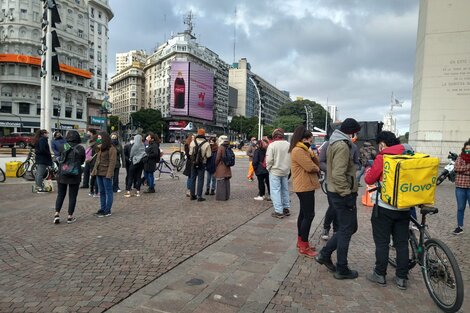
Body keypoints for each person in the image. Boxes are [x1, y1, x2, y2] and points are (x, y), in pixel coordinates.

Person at [364, 131, 414, 290]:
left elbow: (369, 179)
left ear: (382, 144)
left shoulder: (382, 157)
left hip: (384, 207)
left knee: (382, 242)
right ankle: (401, 278)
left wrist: (368, 171)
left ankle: (380, 274)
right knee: (401, 243)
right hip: (405, 206)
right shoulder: (409, 155)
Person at [315, 118, 361, 280]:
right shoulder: (342, 145)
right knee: (346, 230)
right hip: (341, 193)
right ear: (352, 131)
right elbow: (338, 173)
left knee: (349, 228)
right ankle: (341, 268)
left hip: (337, 191)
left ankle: (325, 254)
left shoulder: (336, 142)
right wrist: (346, 194)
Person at [290, 125, 321, 258]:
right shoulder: (299, 150)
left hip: (305, 185)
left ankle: (301, 241)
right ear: (305, 139)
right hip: (304, 186)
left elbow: (315, 162)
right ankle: (304, 245)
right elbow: (311, 167)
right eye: (311, 140)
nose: (312, 142)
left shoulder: (303, 150)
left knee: (303, 214)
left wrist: (312, 153)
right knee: (309, 215)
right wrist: (317, 168)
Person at [53, 130, 86, 224]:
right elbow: (82, 161)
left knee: (60, 194)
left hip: (62, 173)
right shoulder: (80, 148)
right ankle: (69, 216)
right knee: (72, 196)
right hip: (75, 174)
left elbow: (59, 157)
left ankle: (56, 214)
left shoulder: (63, 146)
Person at [266, 128, 291, 218]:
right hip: (285, 171)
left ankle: (278, 211)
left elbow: (269, 160)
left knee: (275, 191)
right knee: (285, 190)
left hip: (275, 171)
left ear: (274, 136)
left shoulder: (272, 145)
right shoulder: (288, 144)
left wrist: (269, 168)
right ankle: (286, 208)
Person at [91, 131, 117, 217]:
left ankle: (107, 210)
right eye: (98, 138)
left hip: (106, 173)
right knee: (101, 191)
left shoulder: (111, 148)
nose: (98, 139)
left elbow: (112, 162)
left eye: (100, 138)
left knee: (108, 192)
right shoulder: (100, 148)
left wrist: (109, 174)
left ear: (104, 138)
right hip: (99, 172)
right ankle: (102, 208)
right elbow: (97, 160)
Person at [319, 139, 338, 240]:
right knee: (333, 205)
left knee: (339, 206)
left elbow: (357, 163)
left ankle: (336, 229)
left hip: (345, 183)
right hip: (330, 182)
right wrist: (331, 170)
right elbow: (321, 161)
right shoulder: (328, 144)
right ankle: (326, 227)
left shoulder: (351, 145)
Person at [452, 139, 470, 235]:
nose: (468, 150)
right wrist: (467, 167)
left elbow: (460, 169)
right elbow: (456, 168)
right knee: (460, 207)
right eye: (466, 148)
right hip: (460, 186)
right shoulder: (460, 157)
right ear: (464, 149)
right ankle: (459, 227)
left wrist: (462, 170)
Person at [189, 129, 211, 201]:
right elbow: (208, 155)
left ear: (197, 134)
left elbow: (190, 153)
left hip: (193, 163)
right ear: (204, 134)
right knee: (200, 179)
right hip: (202, 163)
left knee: (192, 178)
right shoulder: (206, 143)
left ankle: (192, 195)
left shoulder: (192, 142)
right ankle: (199, 196)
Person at [32, 129, 52, 193]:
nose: (47, 134)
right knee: (40, 174)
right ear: (43, 134)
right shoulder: (42, 140)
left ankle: (37, 187)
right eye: (46, 133)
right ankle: (39, 188)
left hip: (40, 158)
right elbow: (42, 150)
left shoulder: (39, 139)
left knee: (38, 174)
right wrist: (48, 154)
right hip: (43, 159)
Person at [215, 135, 232, 201]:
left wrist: (215, 164)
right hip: (227, 166)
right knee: (226, 181)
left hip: (221, 166)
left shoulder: (221, 147)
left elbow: (218, 158)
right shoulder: (228, 146)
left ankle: (221, 197)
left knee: (221, 181)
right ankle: (227, 196)